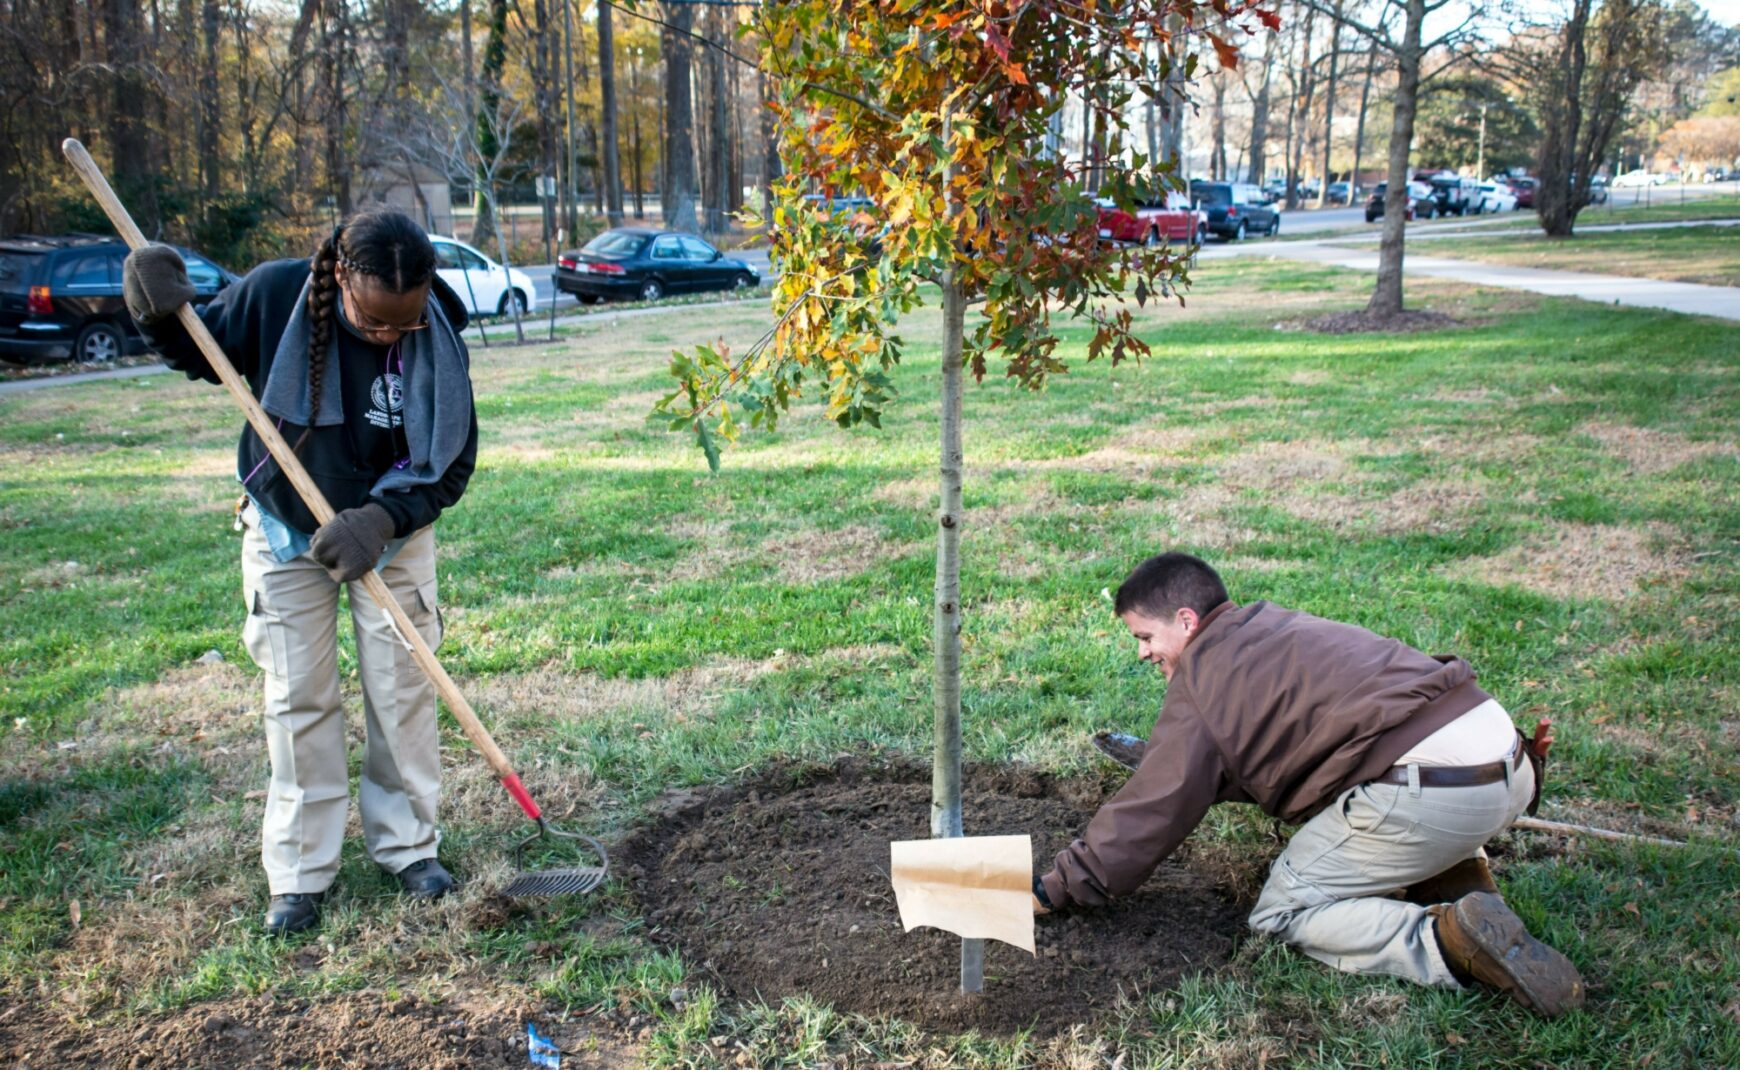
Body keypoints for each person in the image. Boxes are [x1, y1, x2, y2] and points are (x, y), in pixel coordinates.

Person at [123, 210, 479, 935]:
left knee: (401, 689)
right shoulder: (276, 294)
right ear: (342, 278)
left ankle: (410, 847)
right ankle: (299, 872)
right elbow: (200, 349)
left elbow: (453, 459)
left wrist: (382, 519)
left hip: (391, 531)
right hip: (287, 531)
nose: (389, 336)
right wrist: (155, 311)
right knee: (298, 698)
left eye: (402, 326)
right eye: (374, 322)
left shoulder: (432, 323)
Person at [1033, 552, 1585, 1018]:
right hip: (1505, 760)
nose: (1142, 652)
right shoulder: (1273, 626)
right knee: (1374, 807)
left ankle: (1450, 939)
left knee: (1282, 913)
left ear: (1185, 620)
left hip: (1436, 793)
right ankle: (1449, 873)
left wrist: (1055, 888)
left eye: (1145, 636)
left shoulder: (1203, 681)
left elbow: (1150, 813)